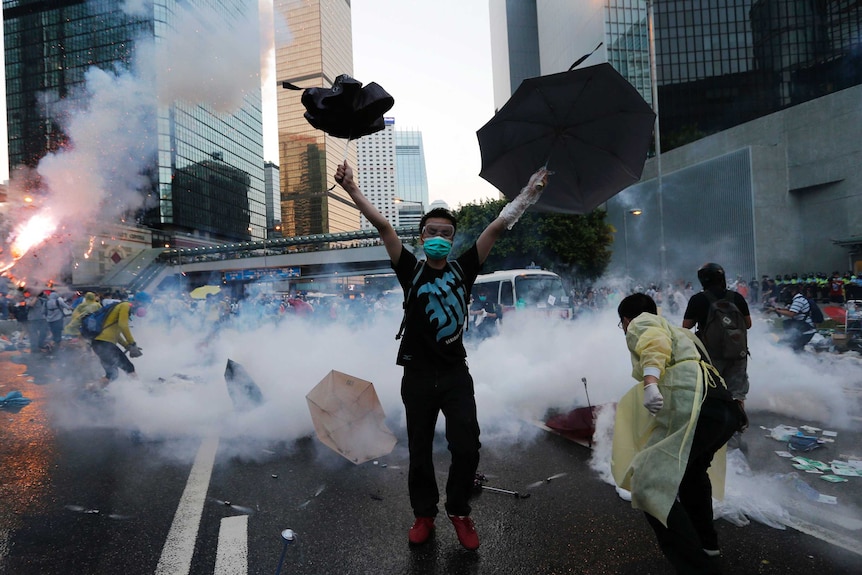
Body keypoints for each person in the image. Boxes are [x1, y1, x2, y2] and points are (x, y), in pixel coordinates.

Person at [335, 160, 548, 551]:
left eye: (446, 233)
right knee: (419, 451)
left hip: (454, 375)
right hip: (416, 376)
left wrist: (529, 193)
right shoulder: (410, 270)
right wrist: (351, 188)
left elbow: (497, 227)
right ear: (421, 236)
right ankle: (424, 515)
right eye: (432, 232)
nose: (439, 237)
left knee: (467, 446)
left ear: (452, 240)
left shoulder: (463, 269)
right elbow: (383, 226)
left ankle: (459, 511)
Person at [612, 293, 740, 574]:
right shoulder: (682, 333)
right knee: (692, 475)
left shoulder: (643, 321)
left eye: (621, 324)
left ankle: (698, 567)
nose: (624, 330)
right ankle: (708, 546)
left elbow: (652, 344)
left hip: (696, 407)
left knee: (647, 483)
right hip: (723, 409)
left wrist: (650, 382)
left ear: (625, 319)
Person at [682, 263, 751, 427]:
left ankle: (713, 427)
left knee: (710, 391)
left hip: (711, 356)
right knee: (737, 392)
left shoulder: (698, 299)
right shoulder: (736, 298)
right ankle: (737, 426)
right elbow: (748, 324)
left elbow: (686, 326)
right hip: (737, 353)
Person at [87, 292, 151, 390]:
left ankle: (90, 389)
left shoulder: (122, 306)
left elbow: (116, 335)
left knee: (112, 374)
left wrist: (127, 346)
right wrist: (132, 343)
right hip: (104, 344)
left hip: (100, 343)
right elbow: (123, 326)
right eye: (145, 304)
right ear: (139, 302)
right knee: (129, 367)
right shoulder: (125, 306)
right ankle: (141, 391)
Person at [770, 283, 816, 352]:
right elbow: (789, 309)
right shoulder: (796, 299)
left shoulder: (798, 300)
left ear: (793, 291)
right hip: (802, 329)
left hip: (806, 331)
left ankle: (802, 360)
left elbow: (791, 313)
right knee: (791, 346)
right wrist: (776, 309)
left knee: (790, 347)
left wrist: (778, 311)